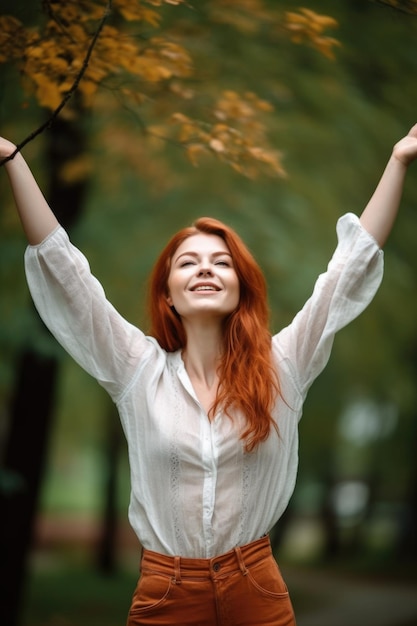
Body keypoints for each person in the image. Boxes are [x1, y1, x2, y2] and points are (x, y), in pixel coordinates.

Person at [1, 124, 416, 626]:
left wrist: (398, 160)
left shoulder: (283, 365)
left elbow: (346, 270)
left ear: (240, 287)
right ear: (168, 294)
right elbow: (68, 278)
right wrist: (12, 159)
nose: (206, 269)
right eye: (188, 262)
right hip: (166, 593)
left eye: (222, 262)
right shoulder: (136, 369)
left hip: (257, 588)